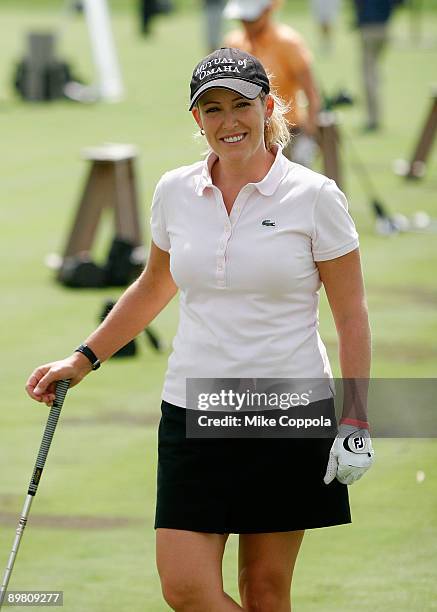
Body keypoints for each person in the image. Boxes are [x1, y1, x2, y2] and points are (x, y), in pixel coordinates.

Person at [26, 48, 374, 611]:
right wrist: (83, 358)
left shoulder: (314, 197)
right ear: (197, 120)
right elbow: (154, 286)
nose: (228, 122)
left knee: (264, 591)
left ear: (267, 107)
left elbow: (352, 313)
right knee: (185, 588)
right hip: (195, 409)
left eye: (241, 105)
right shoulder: (175, 192)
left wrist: (356, 416)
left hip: (288, 412)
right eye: (211, 109)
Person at [223, 0, 321, 166]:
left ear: (267, 11)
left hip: (288, 133)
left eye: (251, 18)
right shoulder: (233, 43)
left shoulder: (288, 42)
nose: (246, 24)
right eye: (242, 18)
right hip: (245, 132)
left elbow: (311, 94)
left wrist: (309, 138)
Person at [353, 0, 396, 131]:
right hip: (384, 27)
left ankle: (373, 119)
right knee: (374, 71)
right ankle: (374, 116)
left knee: (369, 75)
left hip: (369, 28)